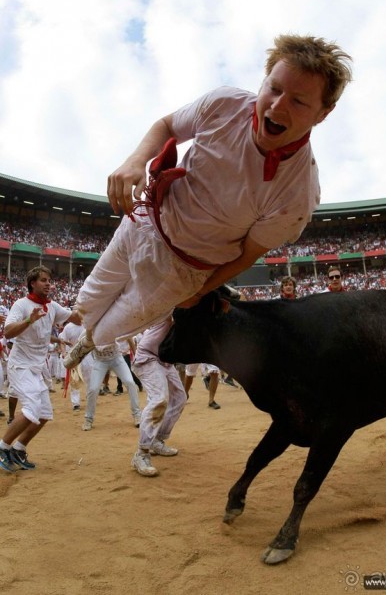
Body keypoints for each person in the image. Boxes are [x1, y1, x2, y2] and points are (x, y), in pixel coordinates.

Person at [64, 34, 352, 370]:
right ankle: (77, 332)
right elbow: (167, 125)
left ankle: (87, 342)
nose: (276, 106)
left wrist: (201, 291)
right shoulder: (225, 102)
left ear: (323, 113)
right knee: (88, 300)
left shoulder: (298, 193)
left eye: (299, 101)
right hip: (143, 220)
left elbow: (247, 254)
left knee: (106, 330)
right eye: (274, 88)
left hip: (180, 270)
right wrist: (135, 161)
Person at [0, 266, 81, 473]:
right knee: (31, 410)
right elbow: (8, 332)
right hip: (20, 365)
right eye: (43, 280)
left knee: (44, 413)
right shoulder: (21, 304)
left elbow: (76, 318)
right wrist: (29, 320)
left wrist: (96, 304)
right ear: (32, 283)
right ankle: (2, 448)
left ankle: (18, 449)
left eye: (49, 280)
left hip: (37, 367)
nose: (48, 283)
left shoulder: (52, 306)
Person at [131, 318, 187, 477]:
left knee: (179, 398)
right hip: (148, 357)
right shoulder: (175, 306)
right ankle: (141, 454)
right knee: (159, 399)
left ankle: (157, 441)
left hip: (166, 361)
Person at [81, 341, 141, 431]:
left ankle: (137, 415)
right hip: (100, 361)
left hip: (116, 359)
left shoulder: (114, 327)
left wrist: (137, 357)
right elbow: (81, 345)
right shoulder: (90, 330)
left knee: (130, 382)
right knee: (93, 389)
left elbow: (129, 338)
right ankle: (88, 419)